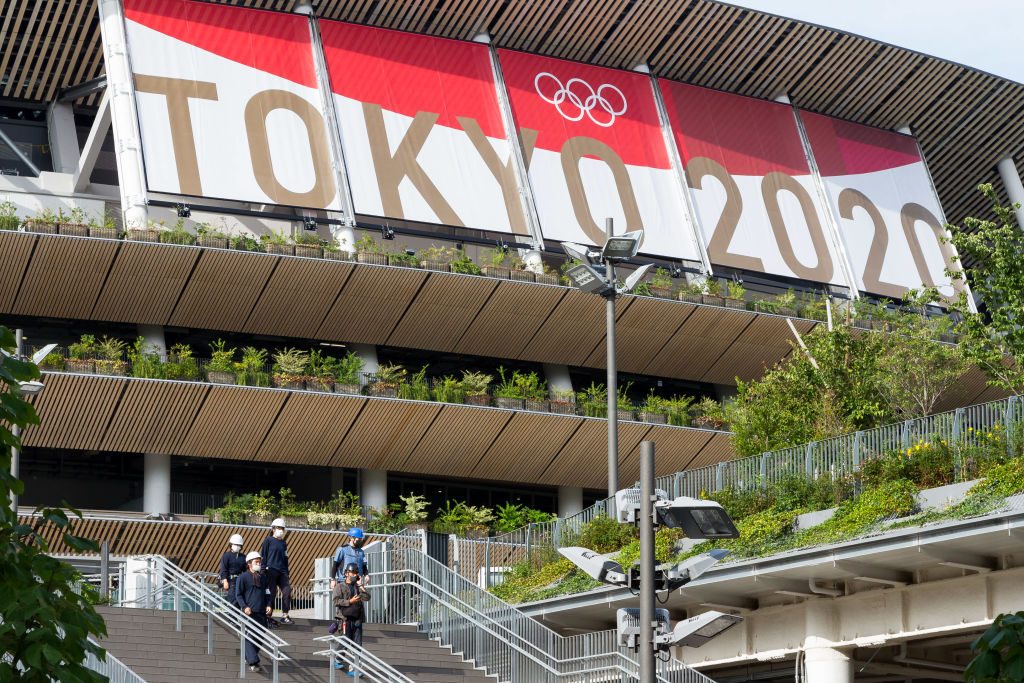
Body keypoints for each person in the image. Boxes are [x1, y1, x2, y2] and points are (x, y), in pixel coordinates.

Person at [234, 551, 272, 673]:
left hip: (261, 612)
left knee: (260, 635)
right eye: (256, 562)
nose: (259, 564)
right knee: (249, 636)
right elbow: (238, 594)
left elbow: (268, 593)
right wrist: (244, 607)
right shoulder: (243, 577)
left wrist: (269, 605)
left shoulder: (263, 578)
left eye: (259, 562)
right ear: (249, 564)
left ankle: (249, 656)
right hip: (249, 613)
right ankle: (254, 662)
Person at [332, 562, 370, 676]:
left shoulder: (357, 587)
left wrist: (360, 586)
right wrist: (350, 601)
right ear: (347, 573)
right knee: (345, 640)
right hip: (345, 619)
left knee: (357, 644)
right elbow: (335, 601)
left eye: (356, 573)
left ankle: (354, 668)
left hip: (357, 619)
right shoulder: (340, 586)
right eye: (353, 572)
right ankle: (337, 659)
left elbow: (367, 597)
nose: (354, 575)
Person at [261, 518, 293, 625]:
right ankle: (268, 616)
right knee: (272, 593)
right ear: (273, 529)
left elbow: (286, 558)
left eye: (282, 528)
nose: (281, 530)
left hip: (282, 571)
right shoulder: (268, 540)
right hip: (271, 570)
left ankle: (285, 615)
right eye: (279, 528)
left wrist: (287, 573)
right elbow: (264, 556)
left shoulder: (283, 543)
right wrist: (263, 569)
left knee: (287, 591)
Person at [218, 533, 246, 600]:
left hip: (240, 580)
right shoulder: (226, 555)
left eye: (238, 545)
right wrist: (225, 581)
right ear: (231, 545)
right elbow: (223, 569)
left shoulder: (243, 557)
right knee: (233, 599)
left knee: (241, 599)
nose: (237, 546)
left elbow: (245, 570)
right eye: (235, 544)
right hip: (231, 581)